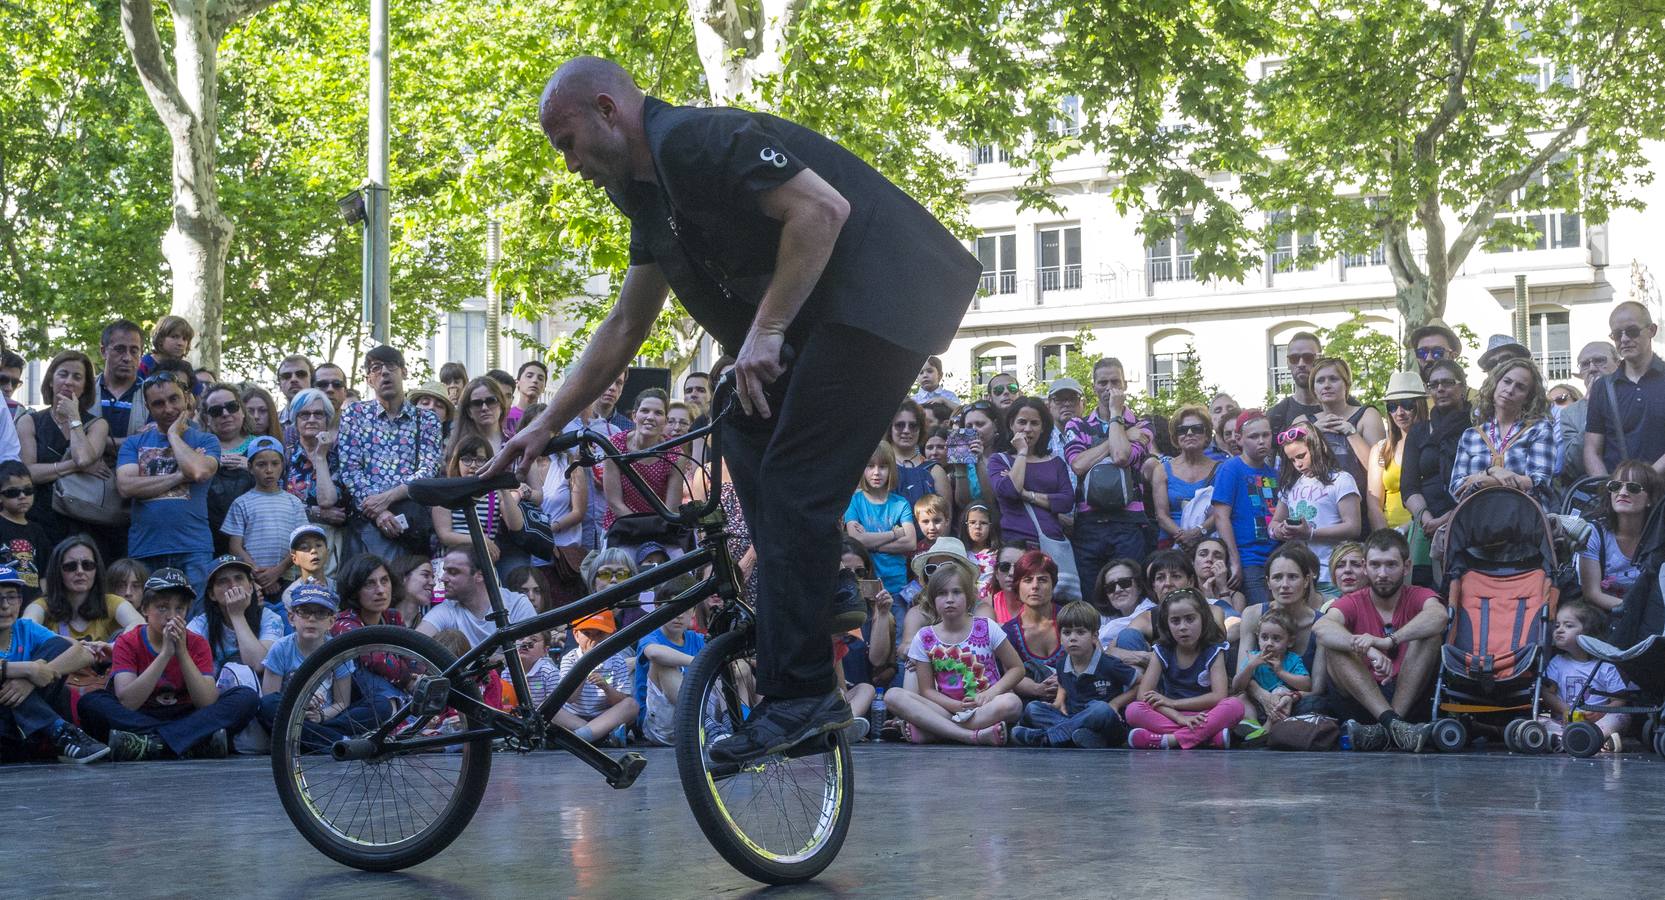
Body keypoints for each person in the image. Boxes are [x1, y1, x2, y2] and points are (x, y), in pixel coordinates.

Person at [495, 57, 980, 762]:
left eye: (567, 141)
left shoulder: (695, 140)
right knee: (740, 413)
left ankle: (805, 693)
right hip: (828, 316)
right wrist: (543, 426)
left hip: (881, 302)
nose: (568, 165)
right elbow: (625, 326)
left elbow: (822, 209)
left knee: (793, 480)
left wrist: (768, 329)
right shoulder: (644, 195)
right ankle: (817, 595)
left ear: (607, 109)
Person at [78, 567, 259, 760]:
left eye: (179, 608)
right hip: (141, 715)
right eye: (162, 607)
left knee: (246, 697)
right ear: (145, 609)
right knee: (91, 702)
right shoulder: (128, 641)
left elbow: (206, 702)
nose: (171, 615)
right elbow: (128, 702)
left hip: (187, 716)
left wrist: (181, 652)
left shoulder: (197, 643)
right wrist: (164, 655)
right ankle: (189, 744)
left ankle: (153, 744)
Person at [1312, 529, 1446, 752]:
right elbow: (1322, 627)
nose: (1382, 573)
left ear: (1407, 567)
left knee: (1430, 635)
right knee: (1333, 646)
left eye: (1391, 565)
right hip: (1362, 698)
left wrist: (1389, 641)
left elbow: (1439, 616)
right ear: (1365, 567)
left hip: (1409, 695)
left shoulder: (1418, 594)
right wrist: (1370, 650)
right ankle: (1394, 725)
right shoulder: (1354, 601)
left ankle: (1384, 731)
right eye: (1375, 565)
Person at [882, 562, 1024, 745]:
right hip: (946, 708)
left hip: (984, 707)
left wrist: (991, 693)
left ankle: (937, 731)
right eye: (942, 593)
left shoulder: (987, 627)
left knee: (1012, 703)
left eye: (956, 592)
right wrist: (955, 706)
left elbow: (1017, 669)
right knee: (893, 696)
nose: (949, 599)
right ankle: (971, 736)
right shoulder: (924, 637)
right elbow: (926, 691)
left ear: (969, 597)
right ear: (932, 599)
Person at [116, 374, 220, 596]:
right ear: (148, 408)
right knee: (148, 620)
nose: (168, 408)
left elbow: (200, 471)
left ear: (187, 399)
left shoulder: (206, 440)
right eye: (158, 403)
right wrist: (181, 475)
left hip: (193, 547)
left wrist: (173, 435)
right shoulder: (134, 443)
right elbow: (126, 486)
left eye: (174, 399)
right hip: (145, 548)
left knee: (194, 621)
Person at [336, 346, 443, 561]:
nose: (384, 372)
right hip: (369, 521)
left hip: (412, 519)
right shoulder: (354, 415)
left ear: (403, 371)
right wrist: (379, 512)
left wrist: (388, 498)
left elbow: (428, 469)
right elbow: (350, 471)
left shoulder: (427, 419)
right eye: (376, 368)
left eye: (391, 366)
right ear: (368, 380)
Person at [0, 564, 112, 763]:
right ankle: (61, 731)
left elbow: (83, 654)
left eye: (11, 596)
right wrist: (30, 669)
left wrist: (39, 675)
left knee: (57, 646)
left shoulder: (25, 628)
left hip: (26, 732)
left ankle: (59, 734)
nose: (5, 606)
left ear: (20, 601)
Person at [1062, 358, 1155, 579]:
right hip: (1089, 524)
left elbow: (1122, 457)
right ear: (1094, 386)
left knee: (1129, 593)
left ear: (1124, 385)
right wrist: (1120, 437)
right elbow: (1078, 464)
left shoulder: (1142, 425)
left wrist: (1116, 415)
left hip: (1128, 524)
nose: (1109, 388)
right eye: (1102, 382)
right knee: (1092, 596)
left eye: (1115, 381)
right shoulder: (1077, 425)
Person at [256, 584, 381, 745]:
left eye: (320, 613)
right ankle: (340, 741)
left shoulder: (338, 651)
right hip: (292, 715)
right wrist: (300, 706)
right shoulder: (281, 648)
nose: (312, 619)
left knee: (380, 704)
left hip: (326, 717)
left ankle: (316, 737)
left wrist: (321, 716)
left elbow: (342, 702)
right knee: (267, 707)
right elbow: (271, 698)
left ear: (331, 621)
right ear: (291, 618)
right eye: (304, 611)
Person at [1123, 588, 1244, 749]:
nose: (1183, 627)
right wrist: (1178, 717)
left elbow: (1219, 696)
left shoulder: (1214, 650)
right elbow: (1143, 695)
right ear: (1167, 624)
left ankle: (1170, 740)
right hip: (1170, 716)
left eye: (1190, 619)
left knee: (1234, 706)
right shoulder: (1162, 651)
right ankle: (1206, 738)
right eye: (1175, 621)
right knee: (1133, 710)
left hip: (1205, 714)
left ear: (1203, 619)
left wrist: (1174, 703)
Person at [1010, 599, 1137, 748]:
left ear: (1094, 636)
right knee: (1033, 708)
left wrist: (1115, 704)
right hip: (1074, 718)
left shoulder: (1109, 664)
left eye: (1080, 632)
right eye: (1067, 633)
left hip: (1107, 725)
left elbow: (1140, 683)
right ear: (1060, 637)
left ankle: (1048, 737)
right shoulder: (1062, 664)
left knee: (1101, 709)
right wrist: (1058, 702)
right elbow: (1064, 684)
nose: (1073, 638)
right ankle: (1080, 738)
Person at [17, 350, 112, 548]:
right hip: (40, 518)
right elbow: (28, 473)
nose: (69, 382)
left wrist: (74, 417)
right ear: (51, 380)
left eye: (77, 377)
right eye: (63, 374)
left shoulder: (97, 424)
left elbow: (84, 458)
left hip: (84, 520)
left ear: (85, 386)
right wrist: (76, 466)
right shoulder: (29, 421)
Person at [1234, 544, 1326, 724]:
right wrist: (1264, 697)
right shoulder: (1253, 614)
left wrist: (1290, 697)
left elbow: (1317, 688)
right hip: (1257, 697)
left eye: (1292, 577)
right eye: (1277, 577)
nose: (1285, 585)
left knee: (1316, 705)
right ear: (1268, 582)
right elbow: (1241, 675)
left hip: (1298, 700)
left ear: (1306, 581)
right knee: (1236, 703)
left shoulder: (1321, 623)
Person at [1400, 358, 1470, 586]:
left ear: (1463, 387)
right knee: (1424, 592)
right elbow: (1409, 485)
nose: (1440, 389)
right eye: (1433, 384)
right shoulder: (1419, 431)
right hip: (1426, 526)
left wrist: (1448, 518)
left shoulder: (1477, 427)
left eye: (1448, 382)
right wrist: (1426, 518)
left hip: (1467, 520)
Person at [1450, 356, 1555, 506]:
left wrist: (1485, 481)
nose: (1510, 390)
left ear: (1527, 398)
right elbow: (1456, 489)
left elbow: (1540, 483)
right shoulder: (1471, 435)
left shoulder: (1538, 429)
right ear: (1495, 384)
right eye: (1506, 381)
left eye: (1520, 387)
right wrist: (1491, 471)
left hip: (1525, 518)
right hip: (1476, 520)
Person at [1270, 425, 1361, 596]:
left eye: (1301, 456)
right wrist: (1279, 531)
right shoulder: (1290, 485)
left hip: (1332, 574)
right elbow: (1274, 522)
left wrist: (1311, 533)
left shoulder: (1341, 480)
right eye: (1291, 460)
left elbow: (1353, 527)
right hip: (1299, 576)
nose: (1297, 464)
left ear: (1317, 447)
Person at [1585, 301, 1665, 477]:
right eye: (1616, 334)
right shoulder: (1602, 387)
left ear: (1652, 330)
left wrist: (1644, 480)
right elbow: (1592, 450)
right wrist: (1608, 489)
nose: (1624, 339)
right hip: (1619, 497)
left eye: (1632, 331)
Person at [223, 436, 307, 602]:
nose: (269, 470)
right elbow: (235, 546)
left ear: (282, 466)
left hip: (287, 579)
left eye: (275, 464)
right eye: (261, 464)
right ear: (250, 467)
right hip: (251, 580)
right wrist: (259, 574)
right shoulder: (241, 503)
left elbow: (301, 544)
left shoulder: (294, 502)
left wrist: (277, 571)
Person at [1291, 356, 1384, 502]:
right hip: (1316, 507)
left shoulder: (1367, 415)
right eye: (1320, 381)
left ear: (1346, 384)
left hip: (1360, 506)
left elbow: (1379, 470)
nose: (1326, 385)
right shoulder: (1301, 422)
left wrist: (1351, 432)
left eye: (1333, 379)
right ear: (1313, 388)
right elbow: (1289, 471)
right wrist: (1312, 433)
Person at [1211, 410, 1279, 607]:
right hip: (1249, 560)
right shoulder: (1231, 468)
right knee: (1262, 612)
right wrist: (1234, 561)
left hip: (1276, 558)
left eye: (1265, 435)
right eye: (1253, 436)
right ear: (1239, 439)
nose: (1261, 441)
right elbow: (1221, 517)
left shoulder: (1274, 474)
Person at [991, 398, 1074, 556]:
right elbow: (1009, 491)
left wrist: (1026, 494)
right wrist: (1022, 451)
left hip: (1051, 544)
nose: (1027, 429)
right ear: (1011, 424)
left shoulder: (1055, 462)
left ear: (1043, 428)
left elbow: (1066, 502)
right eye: (1022, 422)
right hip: (1014, 545)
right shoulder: (999, 460)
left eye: (1034, 423)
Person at [432, 434, 527, 571]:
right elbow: (445, 535)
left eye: (480, 460)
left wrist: (504, 489)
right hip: (450, 563)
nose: (473, 465)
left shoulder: (495, 495)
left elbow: (516, 525)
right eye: (466, 460)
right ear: (456, 462)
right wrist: (481, 540)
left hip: (482, 565)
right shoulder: (446, 492)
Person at [1542, 602, 1628, 752]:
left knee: (1622, 716)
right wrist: (1566, 710)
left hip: (1597, 721)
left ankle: (1593, 737)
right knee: (1539, 720)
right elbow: (1547, 693)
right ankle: (1581, 740)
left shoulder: (1605, 666)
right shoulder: (1557, 663)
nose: (1559, 630)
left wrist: (1600, 711)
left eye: (1568, 626)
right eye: (1557, 626)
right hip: (1565, 721)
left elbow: (1619, 700)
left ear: (1588, 633)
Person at [24, 534, 142, 641]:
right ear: (57, 571)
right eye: (70, 566)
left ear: (97, 569)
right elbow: (25, 628)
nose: (80, 571)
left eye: (87, 565)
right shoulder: (43, 605)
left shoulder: (111, 602)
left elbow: (139, 626)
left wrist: (113, 647)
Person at [1578, 461, 1660, 613]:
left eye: (1633, 487)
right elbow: (1592, 593)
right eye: (1615, 486)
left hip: (1651, 619)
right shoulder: (1593, 533)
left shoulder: (1658, 538)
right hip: (1604, 616)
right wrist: (1633, 611)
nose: (1622, 492)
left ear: (1650, 499)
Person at [600, 388, 683, 537]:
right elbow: (614, 502)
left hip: (660, 530)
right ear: (634, 415)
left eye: (658, 413)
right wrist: (641, 529)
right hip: (621, 526)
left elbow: (672, 509)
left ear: (665, 420)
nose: (650, 417)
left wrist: (652, 533)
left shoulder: (675, 455)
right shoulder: (614, 446)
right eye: (645, 411)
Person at [415, 547, 538, 645]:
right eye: (444, 571)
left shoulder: (517, 604)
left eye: (453, 572)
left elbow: (532, 653)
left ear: (479, 575)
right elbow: (416, 644)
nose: (443, 578)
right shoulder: (448, 608)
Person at [843, 442, 918, 598]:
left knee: (898, 622)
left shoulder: (900, 503)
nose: (876, 472)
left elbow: (910, 542)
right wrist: (894, 534)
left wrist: (871, 544)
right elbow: (856, 540)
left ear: (891, 469)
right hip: (865, 582)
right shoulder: (854, 501)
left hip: (896, 584)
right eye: (870, 466)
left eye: (883, 467)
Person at [186, 555, 281, 675]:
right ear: (212, 594)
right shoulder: (200, 624)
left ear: (251, 587)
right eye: (223, 581)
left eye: (239, 578)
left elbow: (259, 665)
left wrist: (237, 615)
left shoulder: (269, 618)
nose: (233, 586)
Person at [283, 388, 346, 569]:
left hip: (331, 545)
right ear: (295, 420)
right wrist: (315, 513)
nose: (311, 419)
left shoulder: (340, 457)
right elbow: (281, 505)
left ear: (327, 419)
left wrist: (320, 457)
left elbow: (327, 500)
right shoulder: (285, 457)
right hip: (292, 542)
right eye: (304, 414)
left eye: (318, 414)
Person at [556, 609, 639, 746]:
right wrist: (585, 666)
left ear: (611, 635)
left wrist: (606, 688)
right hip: (573, 717)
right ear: (576, 635)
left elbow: (620, 701)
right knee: (548, 708)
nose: (593, 639)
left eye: (600, 634)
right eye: (587, 633)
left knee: (631, 705)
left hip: (605, 717)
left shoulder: (617, 660)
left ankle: (581, 736)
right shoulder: (570, 659)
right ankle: (597, 736)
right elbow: (570, 699)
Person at [635, 600, 708, 745]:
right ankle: (708, 723)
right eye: (673, 609)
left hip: (699, 719)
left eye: (685, 609)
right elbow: (654, 653)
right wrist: (699, 662)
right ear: (658, 609)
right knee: (662, 663)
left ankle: (726, 724)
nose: (679, 615)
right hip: (661, 726)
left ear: (693, 611)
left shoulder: (697, 639)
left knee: (725, 665)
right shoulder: (651, 637)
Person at [1150, 405, 1219, 551]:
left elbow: (1222, 511)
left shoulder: (1220, 470)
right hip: (1171, 545)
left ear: (1207, 434)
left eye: (1197, 429)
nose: (1189, 433)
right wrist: (1183, 537)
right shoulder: (1161, 470)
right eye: (1182, 430)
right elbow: (1161, 515)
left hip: (1209, 546)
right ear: (1175, 437)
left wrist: (1197, 533)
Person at [1230, 607, 1312, 725]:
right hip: (1256, 704)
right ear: (1258, 638)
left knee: (1280, 691)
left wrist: (1281, 672)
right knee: (1240, 698)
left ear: (1290, 642)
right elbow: (1236, 686)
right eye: (1264, 637)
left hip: (1282, 705)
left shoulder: (1292, 660)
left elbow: (1307, 685)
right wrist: (1250, 667)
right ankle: (1253, 725)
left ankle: (1267, 729)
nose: (1269, 643)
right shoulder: (1253, 658)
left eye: (1276, 638)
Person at [1368, 372, 1427, 534]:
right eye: (1392, 406)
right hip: (1391, 537)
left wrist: (1406, 529)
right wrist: (1387, 539)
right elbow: (1374, 504)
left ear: (1420, 405)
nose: (1399, 412)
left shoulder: (1433, 445)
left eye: (1407, 404)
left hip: (1425, 531)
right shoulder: (1381, 449)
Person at [1003, 550, 1064, 703]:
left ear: (1053, 584)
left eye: (1043, 580)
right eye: (1028, 580)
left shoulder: (1072, 618)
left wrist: (1066, 682)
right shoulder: (1008, 632)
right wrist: (1038, 690)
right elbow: (1009, 676)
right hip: (1032, 705)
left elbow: (1093, 661)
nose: (1035, 586)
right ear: (1018, 586)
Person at [1556, 341, 1618, 485]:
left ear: (1618, 364)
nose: (1592, 368)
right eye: (1585, 364)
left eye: (1599, 361)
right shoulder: (1570, 414)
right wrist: (1592, 409)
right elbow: (1574, 465)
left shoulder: (1633, 398)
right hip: (1597, 491)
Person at [95, 320, 149, 458]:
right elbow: (71, 436)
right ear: (103, 351)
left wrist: (93, 439)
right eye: (119, 349)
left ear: (141, 354)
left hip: (136, 475)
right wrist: (132, 441)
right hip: (88, 474)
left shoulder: (152, 395)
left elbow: (151, 443)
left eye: (134, 351)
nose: (127, 358)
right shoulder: (84, 391)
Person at [949, 400, 1003, 534]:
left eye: (980, 424)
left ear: (995, 425)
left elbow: (992, 501)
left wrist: (979, 461)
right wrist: (959, 469)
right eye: (969, 425)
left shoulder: (1006, 457)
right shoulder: (965, 459)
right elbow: (963, 503)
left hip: (1000, 528)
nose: (974, 429)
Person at [0, 460, 52, 595]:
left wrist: (40, 597)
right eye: (13, 492)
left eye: (28, 490)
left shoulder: (37, 531)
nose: (22, 496)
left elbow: (46, 571)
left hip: (31, 606)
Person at [889, 399, 951, 509]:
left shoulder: (934, 470)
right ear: (890, 428)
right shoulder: (875, 466)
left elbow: (945, 519)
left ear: (920, 429)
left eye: (913, 425)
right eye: (900, 425)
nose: (906, 430)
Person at [1266, 332, 1323, 434]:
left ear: (1321, 359)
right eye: (1294, 358)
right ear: (1287, 363)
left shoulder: (1346, 406)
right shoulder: (1276, 415)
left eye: (1308, 357)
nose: (1301, 364)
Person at [960, 504, 998, 603]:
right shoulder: (960, 553)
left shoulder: (997, 554)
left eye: (983, 523)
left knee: (983, 619)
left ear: (991, 526)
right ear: (965, 525)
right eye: (972, 522)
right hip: (966, 604)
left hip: (991, 604)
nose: (977, 526)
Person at [137, 315, 193, 381]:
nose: (181, 343)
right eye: (174, 337)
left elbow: (199, 390)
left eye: (184, 339)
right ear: (160, 338)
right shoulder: (143, 365)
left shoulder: (185, 368)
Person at [389, 554, 435, 629]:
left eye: (433, 577)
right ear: (404, 577)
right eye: (425, 575)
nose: (433, 583)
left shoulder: (430, 625)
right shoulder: (380, 619)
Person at [504, 360, 548, 437]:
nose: (535, 381)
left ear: (544, 387)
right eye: (529, 376)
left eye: (540, 379)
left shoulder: (548, 416)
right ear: (517, 383)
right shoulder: (505, 415)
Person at [1207, 393, 1241, 461]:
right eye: (1218, 411)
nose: (1224, 413)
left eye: (1230, 409)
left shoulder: (1251, 449)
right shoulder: (1202, 455)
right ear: (1210, 420)